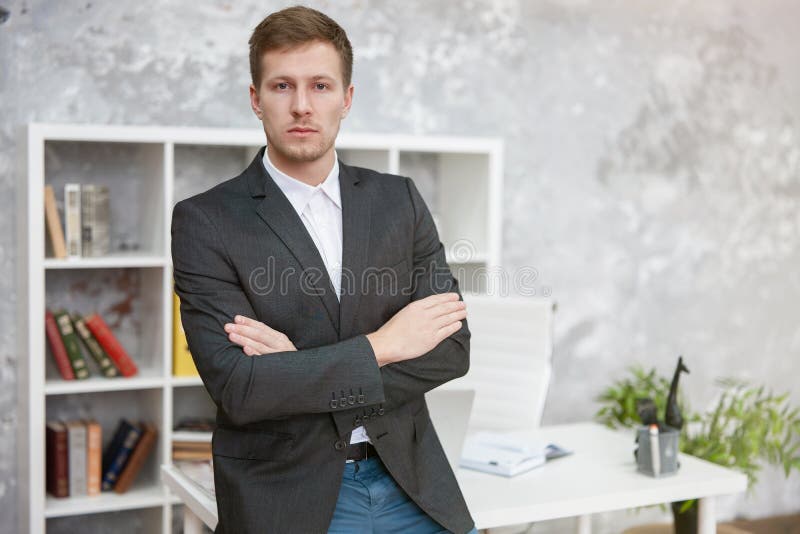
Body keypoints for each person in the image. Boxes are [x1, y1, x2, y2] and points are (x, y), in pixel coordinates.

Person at [171, 6, 476, 533]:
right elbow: (241, 389)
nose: (302, 106)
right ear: (255, 99)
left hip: (411, 480)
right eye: (282, 86)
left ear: (347, 99)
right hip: (290, 494)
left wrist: (297, 370)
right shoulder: (206, 221)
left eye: (320, 85)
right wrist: (384, 344)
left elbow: (451, 350)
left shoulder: (398, 200)